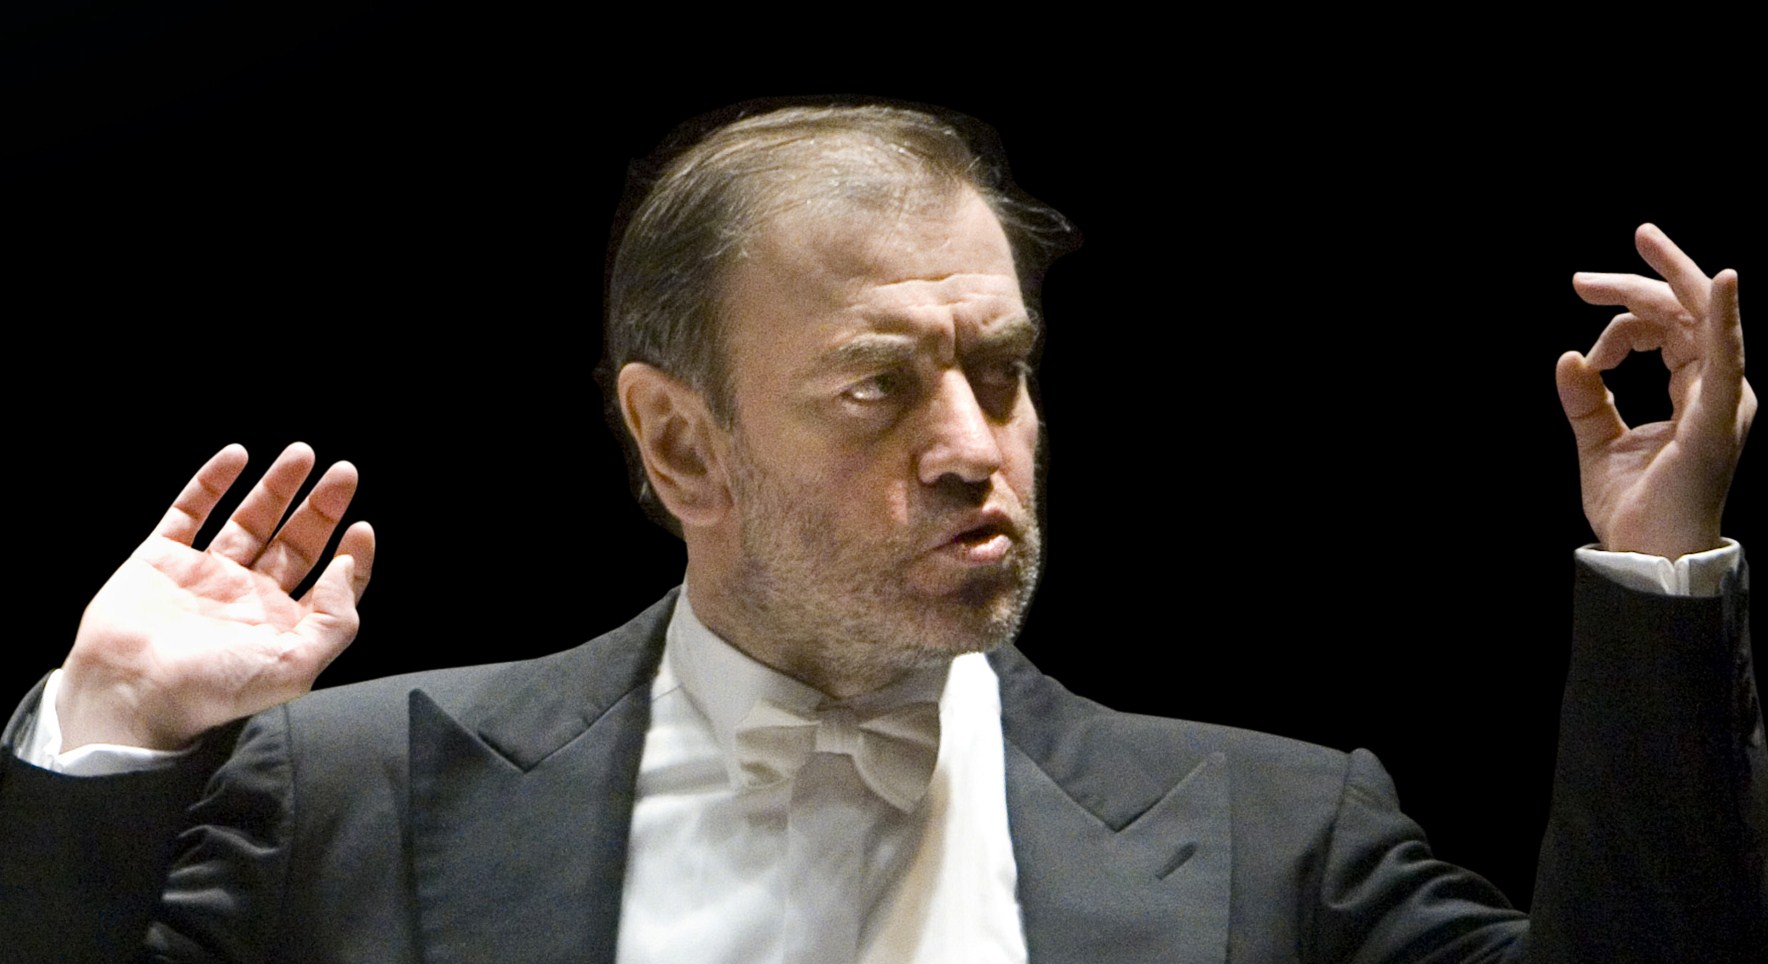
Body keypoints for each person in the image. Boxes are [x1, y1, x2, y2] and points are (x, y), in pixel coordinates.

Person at [1, 103, 1759, 962]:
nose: (974, 449)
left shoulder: (1276, 835)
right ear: (680, 442)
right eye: (878, 388)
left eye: (1001, 373)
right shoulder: (353, 795)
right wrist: (110, 733)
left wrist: (1662, 574)